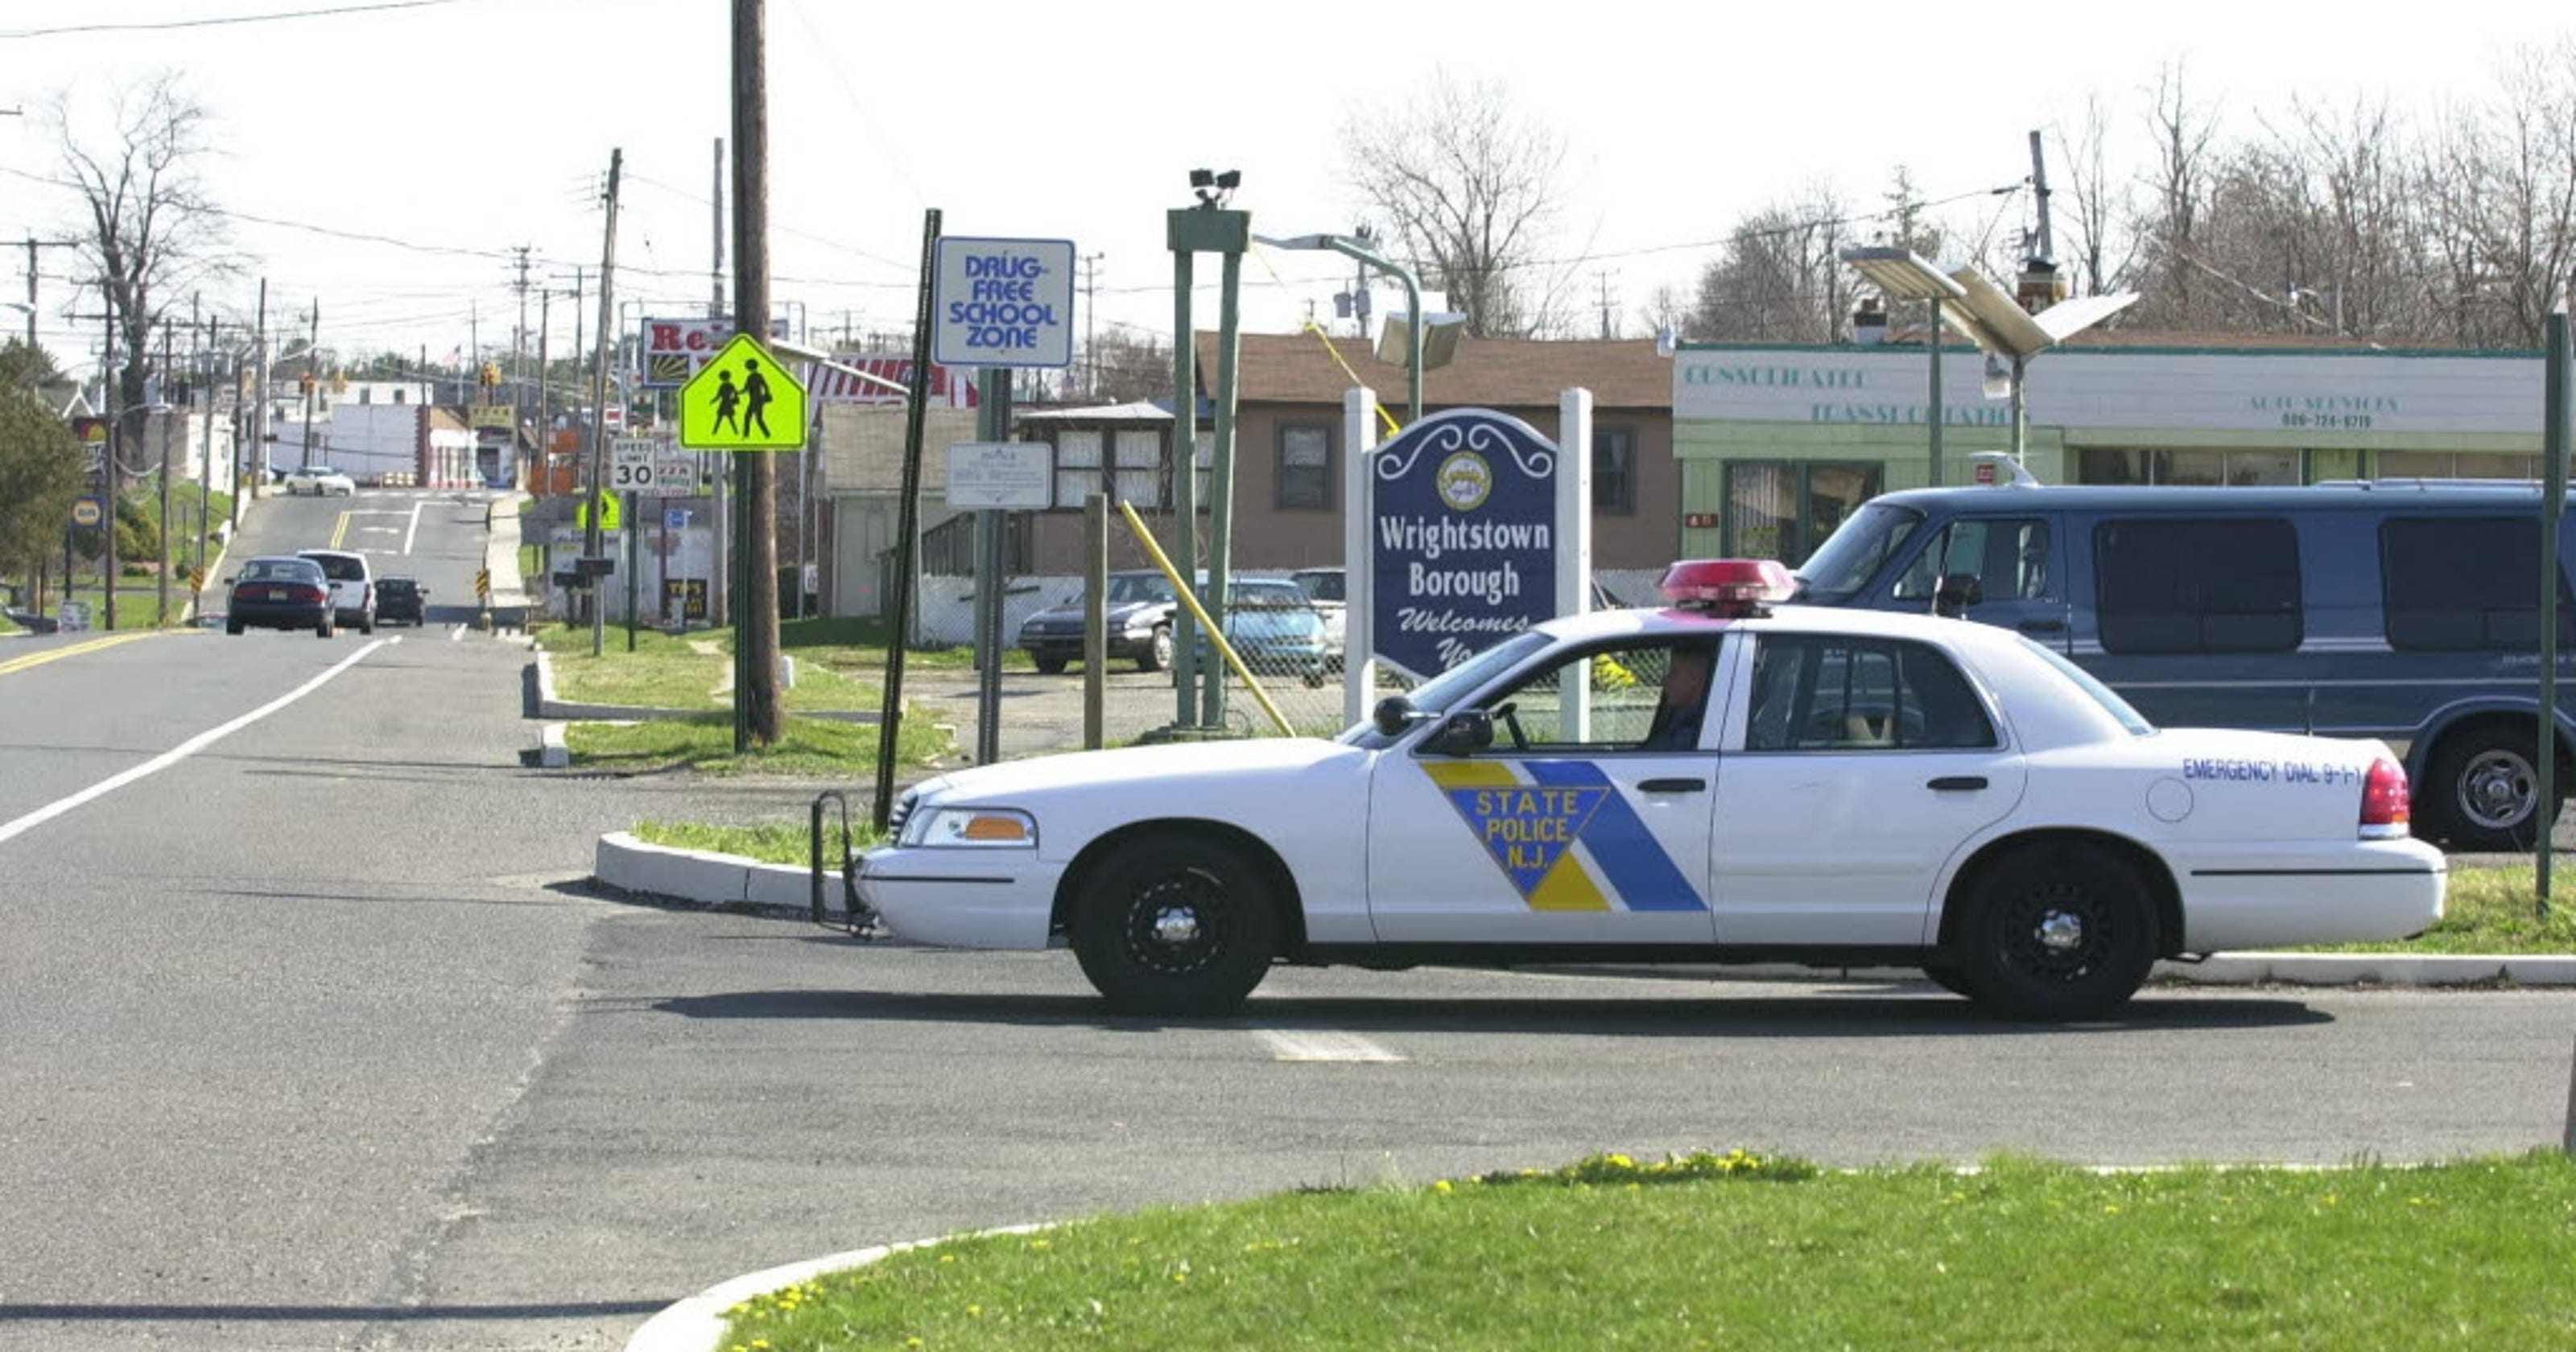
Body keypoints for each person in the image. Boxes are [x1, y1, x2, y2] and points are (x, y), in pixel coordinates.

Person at [1645, 646, 1715, 751]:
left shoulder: (1691, 734)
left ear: (1694, 679)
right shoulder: (1679, 720)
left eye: (1674, 673)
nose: (1664, 681)